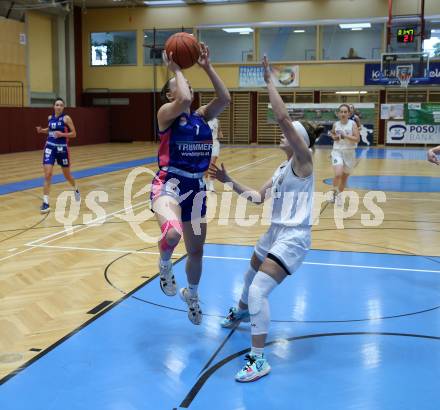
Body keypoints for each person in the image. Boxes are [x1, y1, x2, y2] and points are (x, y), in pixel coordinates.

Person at [209, 55, 322, 383]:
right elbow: (258, 198)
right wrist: (228, 181)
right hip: (275, 232)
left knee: (259, 290)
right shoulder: (281, 169)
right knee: (248, 276)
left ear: (298, 138)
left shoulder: (305, 161)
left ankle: (259, 359)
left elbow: (284, 118)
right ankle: (241, 311)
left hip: (293, 237)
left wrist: (269, 82)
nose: (282, 132)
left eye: (289, 132)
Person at [151, 43, 230, 325]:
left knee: (196, 250)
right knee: (173, 236)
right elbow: (183, 100)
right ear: (169, 93)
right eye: (180, 84)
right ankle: (164, 265)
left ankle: (192, 295)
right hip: (169, 182)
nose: (187, 89)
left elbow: (225, 98)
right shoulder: (165, 114)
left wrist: (207, 67)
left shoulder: (200, 117)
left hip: (196, 190)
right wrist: (174, 68)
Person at [36, 98, 80, 213]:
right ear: (54, 106)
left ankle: (75, 188)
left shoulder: (66, 118)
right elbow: (50, 130)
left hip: (62, 149)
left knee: (67, 175)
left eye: (61, 105)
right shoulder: (50, 118)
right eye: (57, 105)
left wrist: (62, 134)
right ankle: (45, 203)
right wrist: (42, 131)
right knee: (48, 174)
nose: (59, 107)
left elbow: (74, 134)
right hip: (50, 147)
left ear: (63, 107)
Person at [329, 104, 360, 206]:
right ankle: (333, 193)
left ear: (349, 113)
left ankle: (339, 195)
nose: (343, 114)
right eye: (341, 112)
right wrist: (334, 137)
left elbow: (357, 139)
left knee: (344, 178)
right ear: (338, 114)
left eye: (345, 112)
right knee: (338, 173)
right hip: (337, 151)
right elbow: (333, 134)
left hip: (350, 153)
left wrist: (345, 136)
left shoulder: (353, 124)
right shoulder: (336, 124)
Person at [205, 117, 223, 192]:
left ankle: (211, 184)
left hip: (215, 143)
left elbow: (219, 132)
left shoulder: (217, 121)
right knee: (205, 165)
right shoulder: (204, 120)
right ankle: (206, 183)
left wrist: (220, 133)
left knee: (212, 164)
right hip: (205, 143)